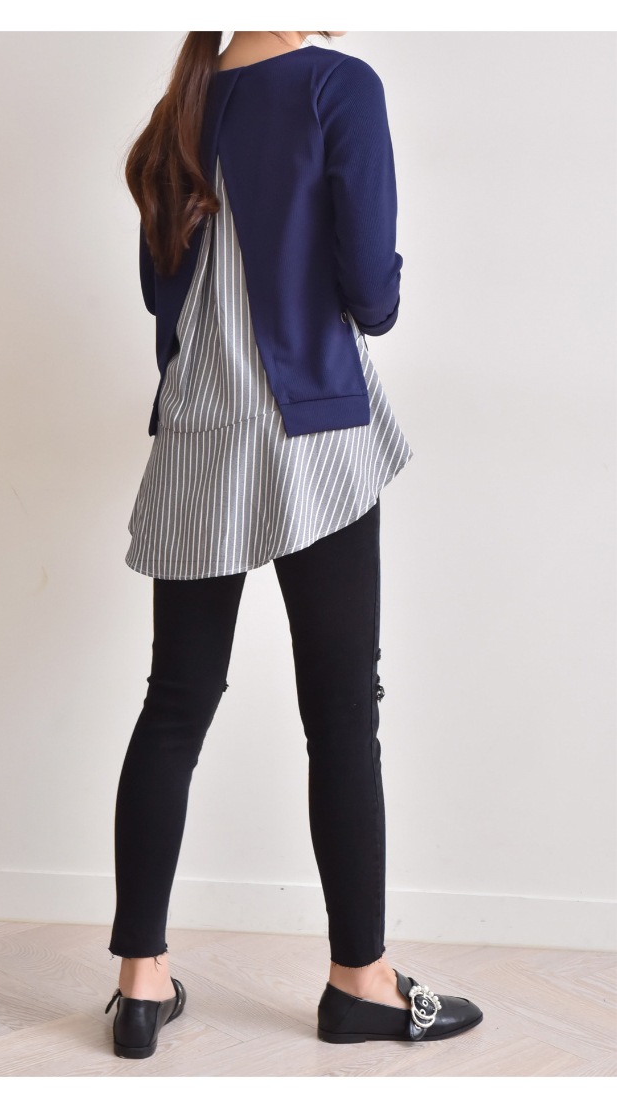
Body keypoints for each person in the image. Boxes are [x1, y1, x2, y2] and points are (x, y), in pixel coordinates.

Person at [104, 30, 483, 1060]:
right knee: (342, 714)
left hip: (198, 435)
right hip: (312, 431)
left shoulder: (178, 111)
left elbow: (160, 293)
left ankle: (140, 983)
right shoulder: (336, 86)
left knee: (173, 707)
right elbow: (374, 296)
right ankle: (361, 982)